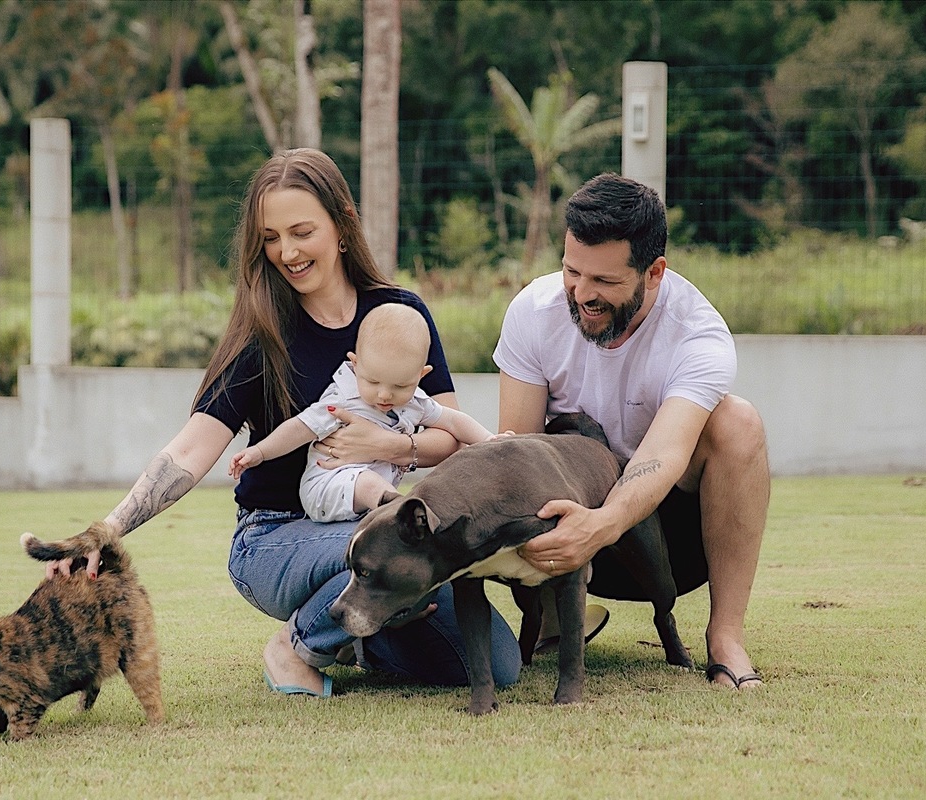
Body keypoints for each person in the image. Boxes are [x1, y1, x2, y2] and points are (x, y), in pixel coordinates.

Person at [45, 148, 521, 697]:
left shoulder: (399, 315)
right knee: (389, 544)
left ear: (342, 226)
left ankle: (360, 632)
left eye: (301, 231)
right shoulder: (262, 334)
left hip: (371, 525)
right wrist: (106, 531)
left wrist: (391, 446)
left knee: (496, 667)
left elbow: (449, 432)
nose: (287, 252)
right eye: (271, 238)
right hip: (273, 539)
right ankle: (295, 646)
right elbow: (192, 450)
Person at [493, 172, 769, 689]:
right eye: (572, 272)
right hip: (565, 532)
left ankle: (726, 636)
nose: (582, 294)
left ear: (654, 272)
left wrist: (602, 523)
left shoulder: (698, 335)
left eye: (605, 282)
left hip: (674, 542)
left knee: (738, 421)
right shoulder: (534, 311)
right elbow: (520, 454)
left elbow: (665, 454)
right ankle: (552, 614)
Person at [228, 302, 495, 522]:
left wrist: (490, 442)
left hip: (368, 498)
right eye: (373, 382)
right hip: (326, 486)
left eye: (400, 385)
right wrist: (259, 453)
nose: (384, 395)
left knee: (397, 487)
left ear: (420, 375)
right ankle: (398, 514)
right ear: (355, 365)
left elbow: (453, 420)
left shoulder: (415, 401)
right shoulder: (343, 398)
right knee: (369, 483)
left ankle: (396, 512)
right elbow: (299, 428)